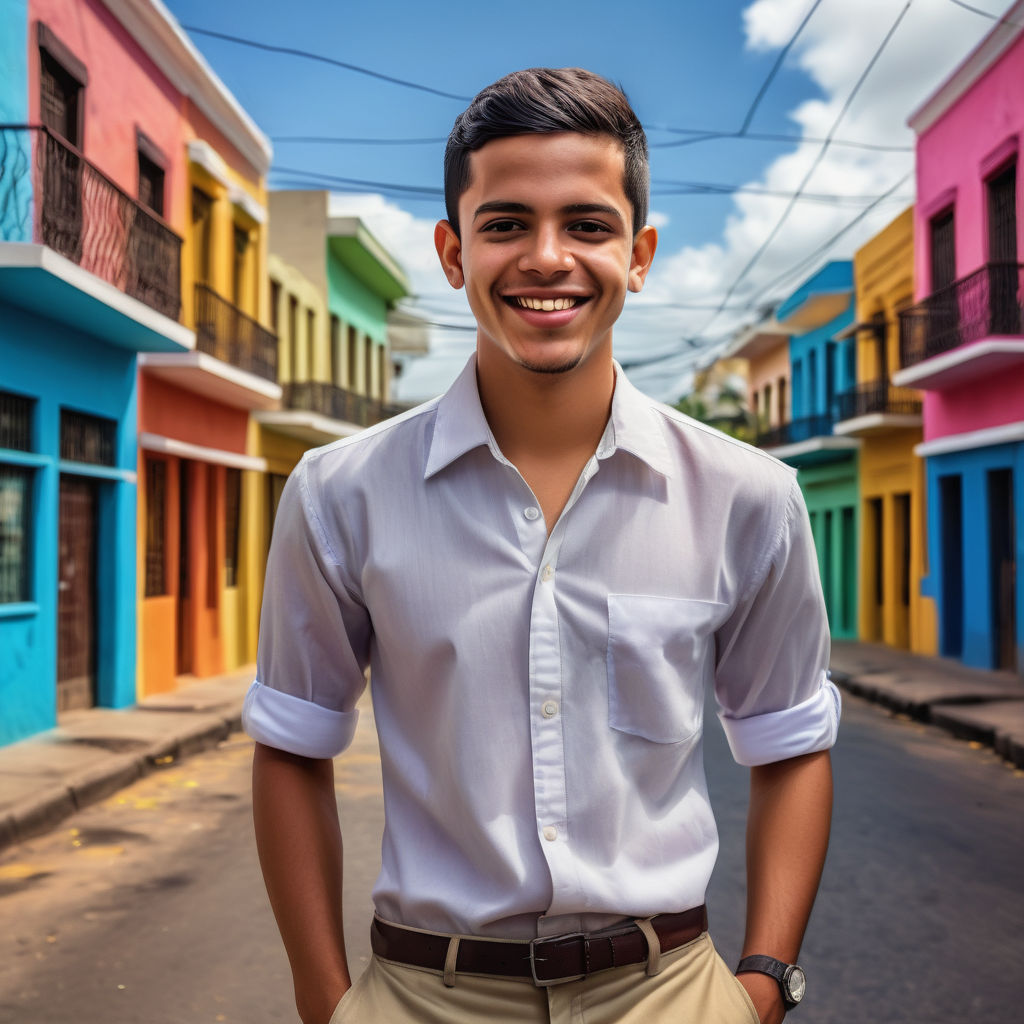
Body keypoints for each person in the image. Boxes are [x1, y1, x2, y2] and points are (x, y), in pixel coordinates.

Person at [245, 67, 839, 1024]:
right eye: (506, 222)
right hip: (419, 995)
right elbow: (290, 745)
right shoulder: (339, 493)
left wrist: (764, 985)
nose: (547, 257)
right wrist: (327, 1004)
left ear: (639, 254)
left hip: (670, 993)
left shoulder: (748, 497)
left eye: (589, 225)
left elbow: (792, 743)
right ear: (453, 250)